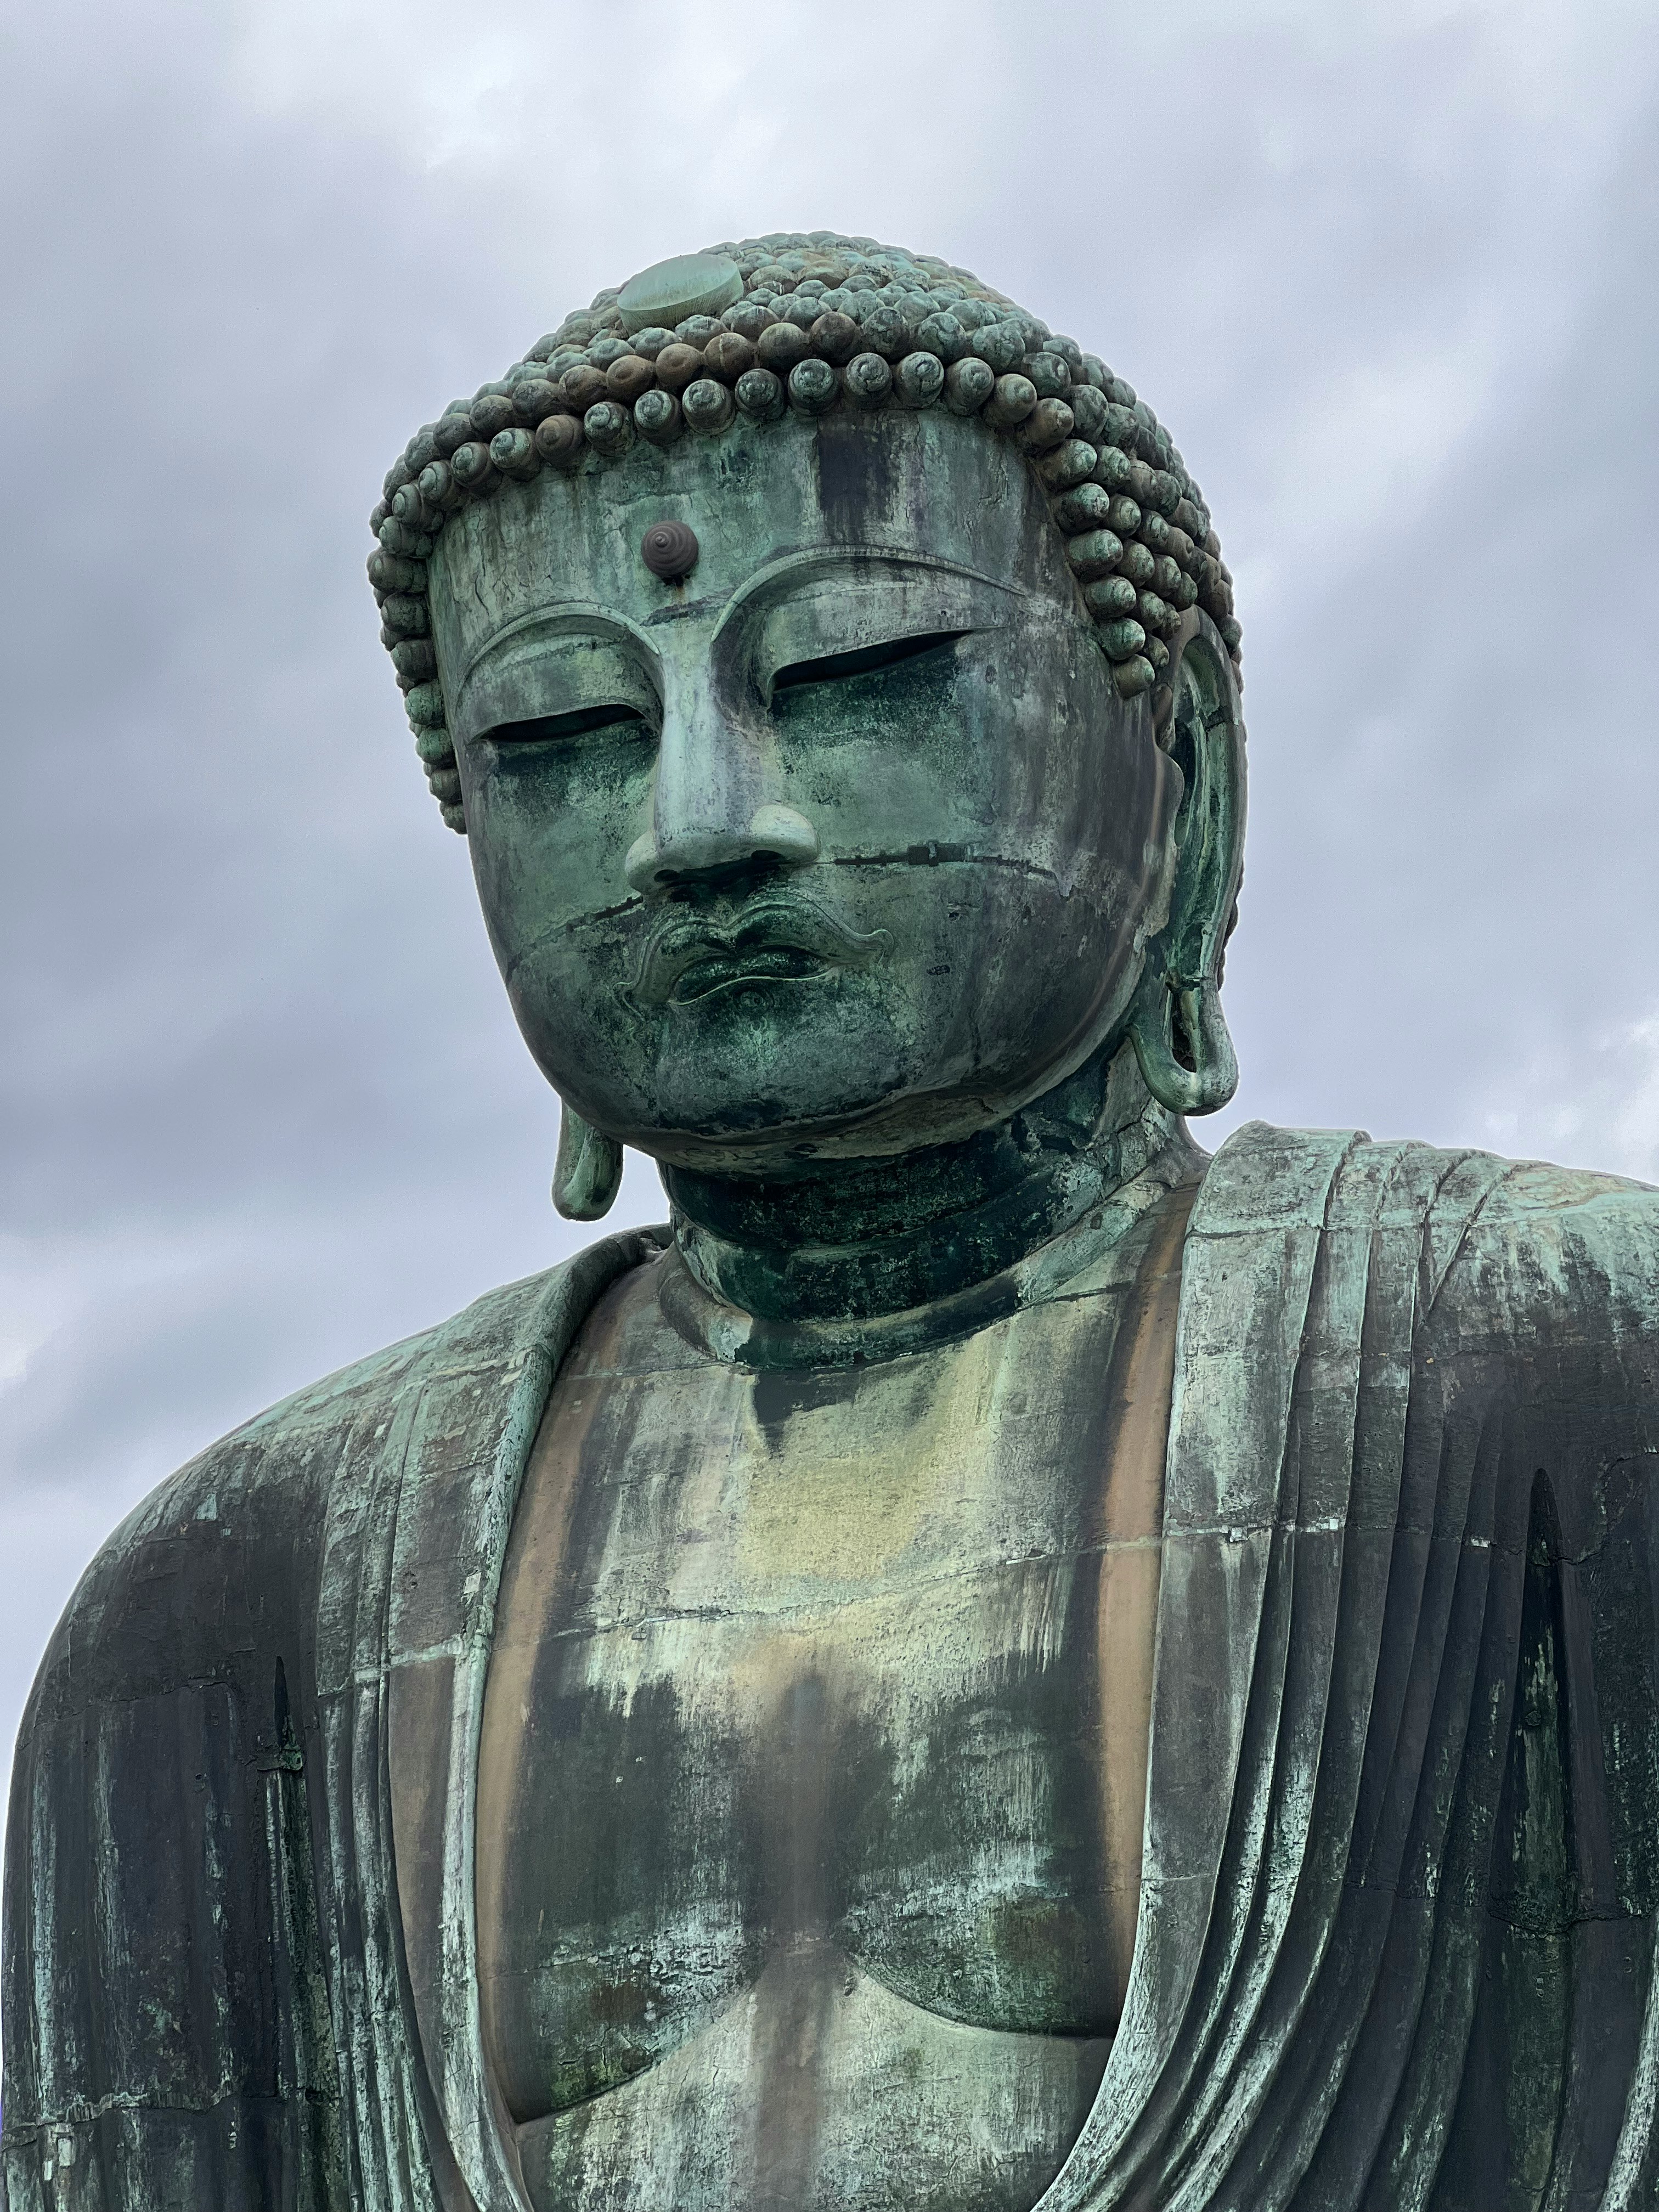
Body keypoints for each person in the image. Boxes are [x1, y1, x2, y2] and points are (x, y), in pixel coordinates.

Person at [7, 232, 1659, 2212]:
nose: (699, 824)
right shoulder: (233, 1601)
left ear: (1188, 767)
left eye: (853, 672)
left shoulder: (1564, 1374)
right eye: (561, 740)